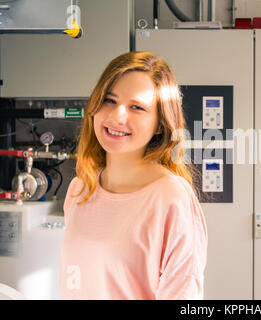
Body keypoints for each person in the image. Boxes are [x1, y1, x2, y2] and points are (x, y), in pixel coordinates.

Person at [59, 51, 208, 300]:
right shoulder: (79, 189)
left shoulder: (170, 197)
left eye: (137, 107)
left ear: (160, 123)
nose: (117, 116)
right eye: (109, 100)